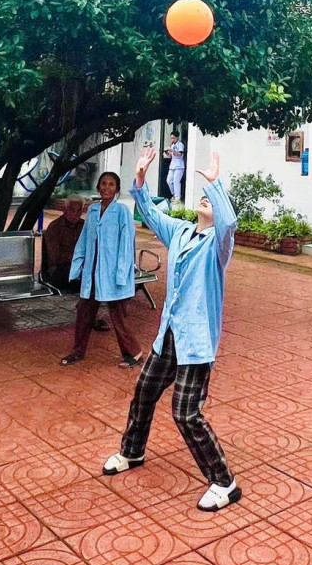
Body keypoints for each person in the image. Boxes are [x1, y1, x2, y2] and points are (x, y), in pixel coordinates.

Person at [103, 146, 240, 511]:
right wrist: (140, 177)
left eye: (212, 201)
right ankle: (132, 451)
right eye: (204, 198)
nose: (205, 201)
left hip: (196, 342)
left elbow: (229, 224)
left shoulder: (219, 246)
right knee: (144, 391)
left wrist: (215, 184)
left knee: (186, 413)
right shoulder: (180, 231)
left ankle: (224, 482)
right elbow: (149, 212)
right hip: (168, 335)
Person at [61, 172, 143, 367]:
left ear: (117, 189)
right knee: (84, 312)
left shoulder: (122, 211)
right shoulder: (93, 210)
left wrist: (121, 273)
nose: (106, 188)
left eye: (111, 184)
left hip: (112, 273)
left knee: (119, 315)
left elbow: (126, 245)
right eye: (103, 184)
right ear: (98, 188)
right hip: (92, 271)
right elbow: (84, 240)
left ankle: (134, 353)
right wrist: (78, 266)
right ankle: (77, 351)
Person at [41, 196, 87, 292]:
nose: (75, 214)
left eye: (78, 211)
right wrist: (76, 258)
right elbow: (54, 257)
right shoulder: (55, 227)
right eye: (72, 210)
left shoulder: (84, 226)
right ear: (65, 209)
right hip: (59, 269)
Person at [164, 132, 186, 204]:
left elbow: (179, 154)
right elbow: (171, 156)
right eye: (171, 138)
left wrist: (172, 150)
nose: (172, 139)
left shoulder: (180, 144)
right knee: (169, 180)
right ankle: (174, 194)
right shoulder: (172, 145)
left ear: (177, 137)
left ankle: (177, 198)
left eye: (173, 138)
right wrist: (167, 152)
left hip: (179, 166)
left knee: (176, 181)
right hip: (172, 166)